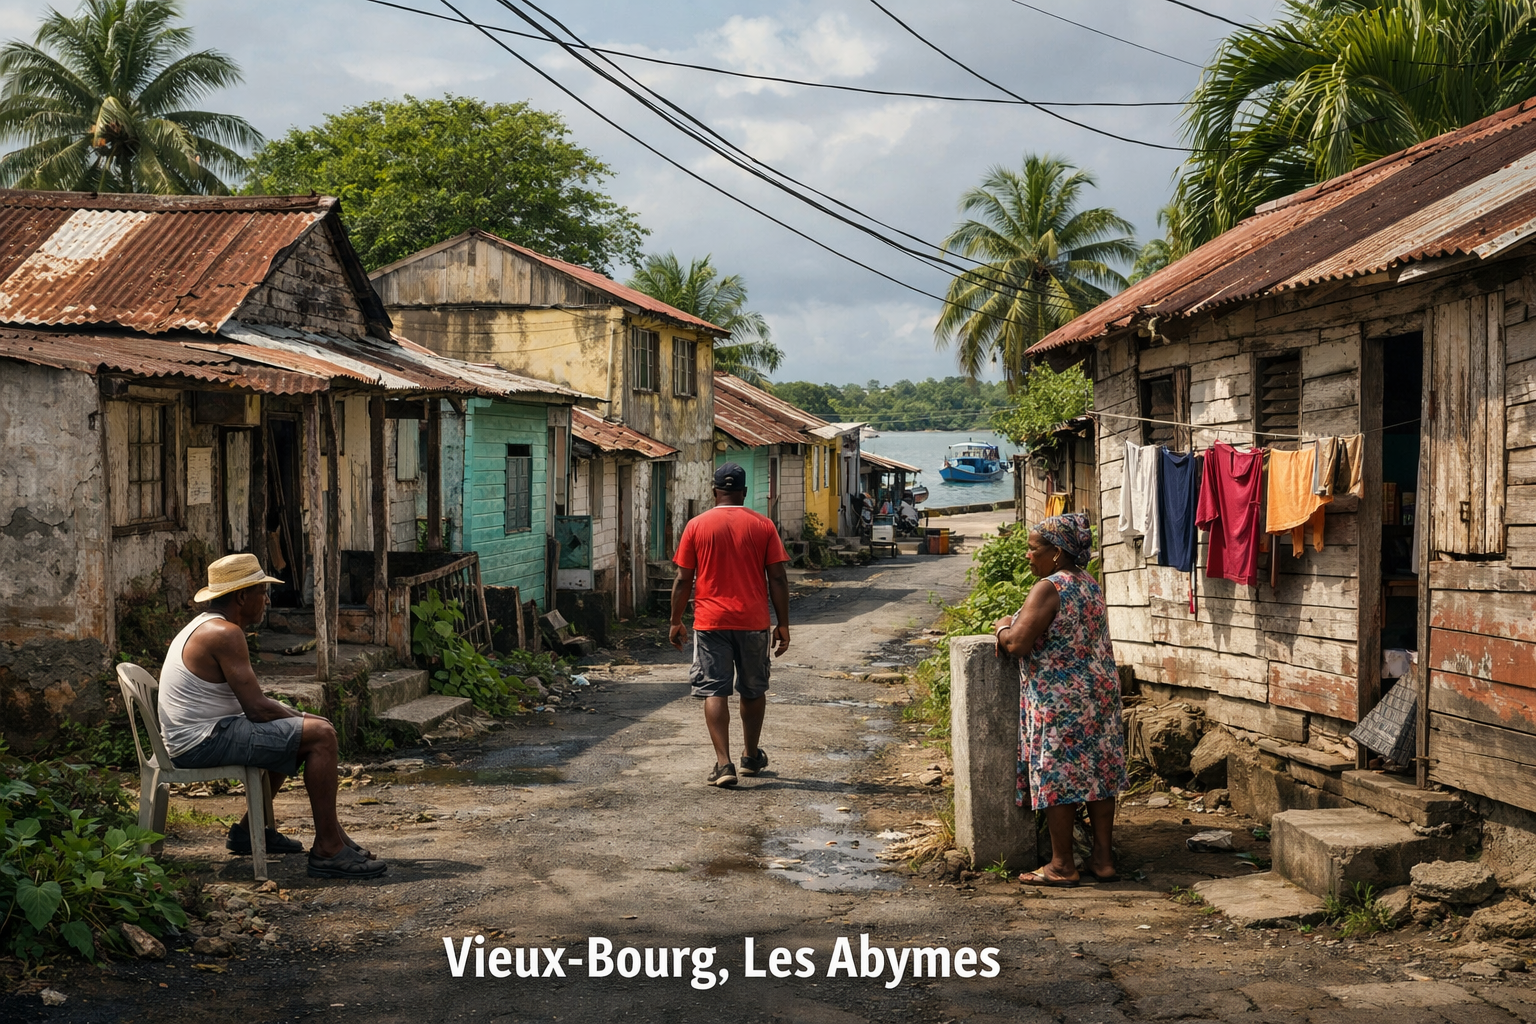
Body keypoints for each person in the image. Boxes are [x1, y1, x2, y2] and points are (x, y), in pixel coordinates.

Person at [158, 553, 387, 879]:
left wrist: (298, 719)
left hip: (198, 735)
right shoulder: (224, 634)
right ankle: (328, 850)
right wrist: (308, 719)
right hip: (201, 742)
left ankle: (250, 831)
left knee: (298, 733)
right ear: (241, 596)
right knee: (320, 737)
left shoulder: (207, 626)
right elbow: (257, 708)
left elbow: (258, 708)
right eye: (262, 592)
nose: (267, 599)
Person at [993, 513, 1127, 886]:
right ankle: (1102, 860)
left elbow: (1018, 644)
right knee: (1100, 775)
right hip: (1098, 694)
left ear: (1056, 553)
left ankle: (1062, 866)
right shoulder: (1089, 584)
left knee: (1060, 777)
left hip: (1061, 698)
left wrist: (1002, 626)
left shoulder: (1049, 588)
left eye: (1033, 549)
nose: (1027, 556)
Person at [669, 463, 791, 787]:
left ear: (713, 492)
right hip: (753, 622)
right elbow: (777, 577)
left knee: (714, 689)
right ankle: (750, 756)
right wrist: (784, 624)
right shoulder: (763, 525)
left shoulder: (696, 526)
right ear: (745, 492)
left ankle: (724, 765)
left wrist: (675, 621)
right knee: (753, 688)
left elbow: (683, 580)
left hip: (710, 623)